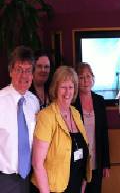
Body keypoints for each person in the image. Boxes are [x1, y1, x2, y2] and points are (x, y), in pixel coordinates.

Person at [31, 66, 92, 193]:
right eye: (63, 87)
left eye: (71, 87)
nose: (67, 92)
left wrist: (83, 183)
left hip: (76, 186)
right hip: (53, 189)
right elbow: (37, 164)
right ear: (55, 89)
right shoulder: (46, 116)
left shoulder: (75, 113)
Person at [0, 46, 40, 193]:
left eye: (28, 70)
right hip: (4, 179)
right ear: (10, 72)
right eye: (19, 69)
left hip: (30, 178)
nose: (24, 75)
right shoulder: (0, 101)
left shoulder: (34, 102)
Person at [74, 62, 110, 193]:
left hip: (97, 160)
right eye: (81, 77)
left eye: (88, 76)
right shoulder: (72, 102)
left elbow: (104, 134)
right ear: (76, 80)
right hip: (78, 163)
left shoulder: (99, 101)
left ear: (93, 78)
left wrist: (106, 164)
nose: (85, 81)